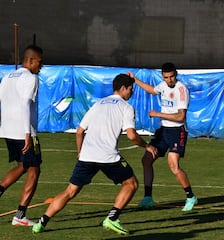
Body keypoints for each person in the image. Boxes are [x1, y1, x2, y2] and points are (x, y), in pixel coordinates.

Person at [32, 74, 157, 235]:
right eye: (131, 89)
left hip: (87, 156)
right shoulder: (126, 107)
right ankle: (112, 218)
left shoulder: (99, 103)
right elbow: (132, 136)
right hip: (108, 156)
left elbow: (79, 132)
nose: (132, 93)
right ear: (123, 88)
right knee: (131, 184)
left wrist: (80, 153)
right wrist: (147, 146)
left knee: (70, 191)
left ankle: (41, 222)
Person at [128, 62, 197, 211]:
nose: (169, 80)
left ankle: (190, 197)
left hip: (177, 132)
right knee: (147, 159)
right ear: (163, 76)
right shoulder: (163, 85)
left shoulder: (181, 90)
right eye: (166, 77)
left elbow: (181, 117)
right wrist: (135, 80)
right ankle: (147, 198)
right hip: (164, 131)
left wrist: (158, 114)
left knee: (173, 165)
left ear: (176, 74)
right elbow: (153, 91)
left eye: (172, 77)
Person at [0, 45, 43, 226]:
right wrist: (27, 132)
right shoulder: (31, 78)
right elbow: (25, 103)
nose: (41, 67)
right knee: (34, 170)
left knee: (22, 165)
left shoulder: (8, 77)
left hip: (8, 130)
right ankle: (20, 215)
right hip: (24, 132)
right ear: (30, 60)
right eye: (39, 62)